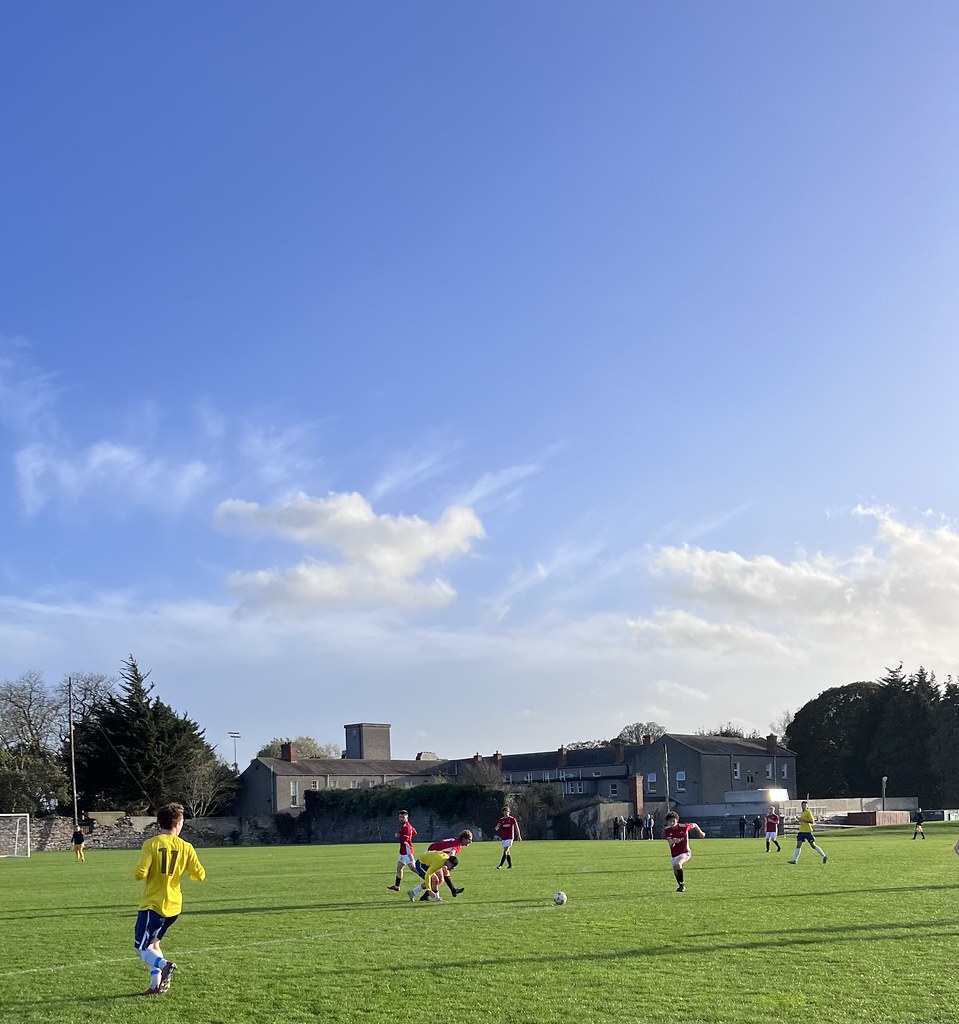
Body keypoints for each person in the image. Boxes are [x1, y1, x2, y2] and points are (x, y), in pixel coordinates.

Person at [133, 802, 206, 996]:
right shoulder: (186, 847)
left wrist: (146, 870)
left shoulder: (152, 844)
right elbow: (199, 874)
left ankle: (165, 966)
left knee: (140, 949)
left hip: (153, 904)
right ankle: (156, 986)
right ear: (179, 823)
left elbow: (139, 873)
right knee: (154, 945)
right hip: (174, 905)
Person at [663, 810, 706, 892]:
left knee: (678, 864)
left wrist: (701, 832)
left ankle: (682, 887)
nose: (672, 823)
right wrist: (673, 842)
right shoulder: (667, 830)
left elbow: (694, 825)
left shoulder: (684, 826)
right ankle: (681, 885)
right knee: (675, 870)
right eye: (670, 821)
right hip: (675, 854)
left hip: (685, 852)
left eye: (673, 821)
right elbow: (670, 843)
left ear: (677, 820)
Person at [425, 830, 472, 897]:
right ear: (464, 839)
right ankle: (421, 894)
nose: (470, 842)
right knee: (440, 879)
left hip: (434, 853)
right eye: (469, 840)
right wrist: (452, 865)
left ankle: (453, 890)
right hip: (432, 855)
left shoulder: (456, 841)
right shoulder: (456, 845)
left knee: (445, 872)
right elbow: (452, 855)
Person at [787, 800, 827, 865]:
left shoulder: (808, 812)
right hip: (801, 831)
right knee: (798, 845)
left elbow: (812, 821)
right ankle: (795, 860)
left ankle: (824, 856)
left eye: (805, 805)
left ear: (807, 806)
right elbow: (802, 822)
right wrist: (797, 821)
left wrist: (802, 820)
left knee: (813, 845)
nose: (804, 806)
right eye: (803, 805)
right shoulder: (802, 813)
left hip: (808, 831)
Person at [387, 809, 417, 892]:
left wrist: (398, 835)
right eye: (400, 817)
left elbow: (405, 839)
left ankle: (428, 878)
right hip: (403, 851)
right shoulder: (404, 825)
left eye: (403, 817)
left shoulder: (406, 827)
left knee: (413, 869)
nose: (401, 818)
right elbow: (414, 832)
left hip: (407, 851)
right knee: (399, 868)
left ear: (407, 817)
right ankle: (396, 886)